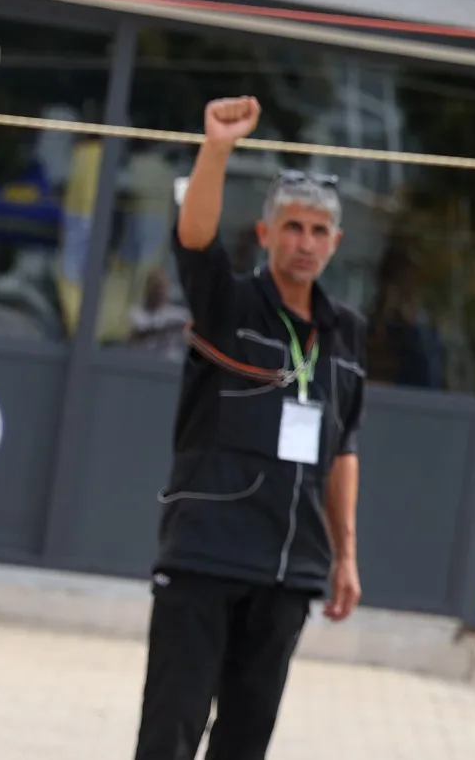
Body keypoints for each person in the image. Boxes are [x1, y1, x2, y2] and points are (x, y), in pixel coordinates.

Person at [133, 95, 367, 760]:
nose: (306, 242)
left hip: (289, 569)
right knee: (170, 731)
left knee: (244, 742)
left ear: (336, 244)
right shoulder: (227, 302)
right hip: (205, 554)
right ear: (266, 235)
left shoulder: (347, 332)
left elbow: (345, 444)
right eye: (292, 227)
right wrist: (217, 148)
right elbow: (195, 238)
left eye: (320, 231)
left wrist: (345, 554)